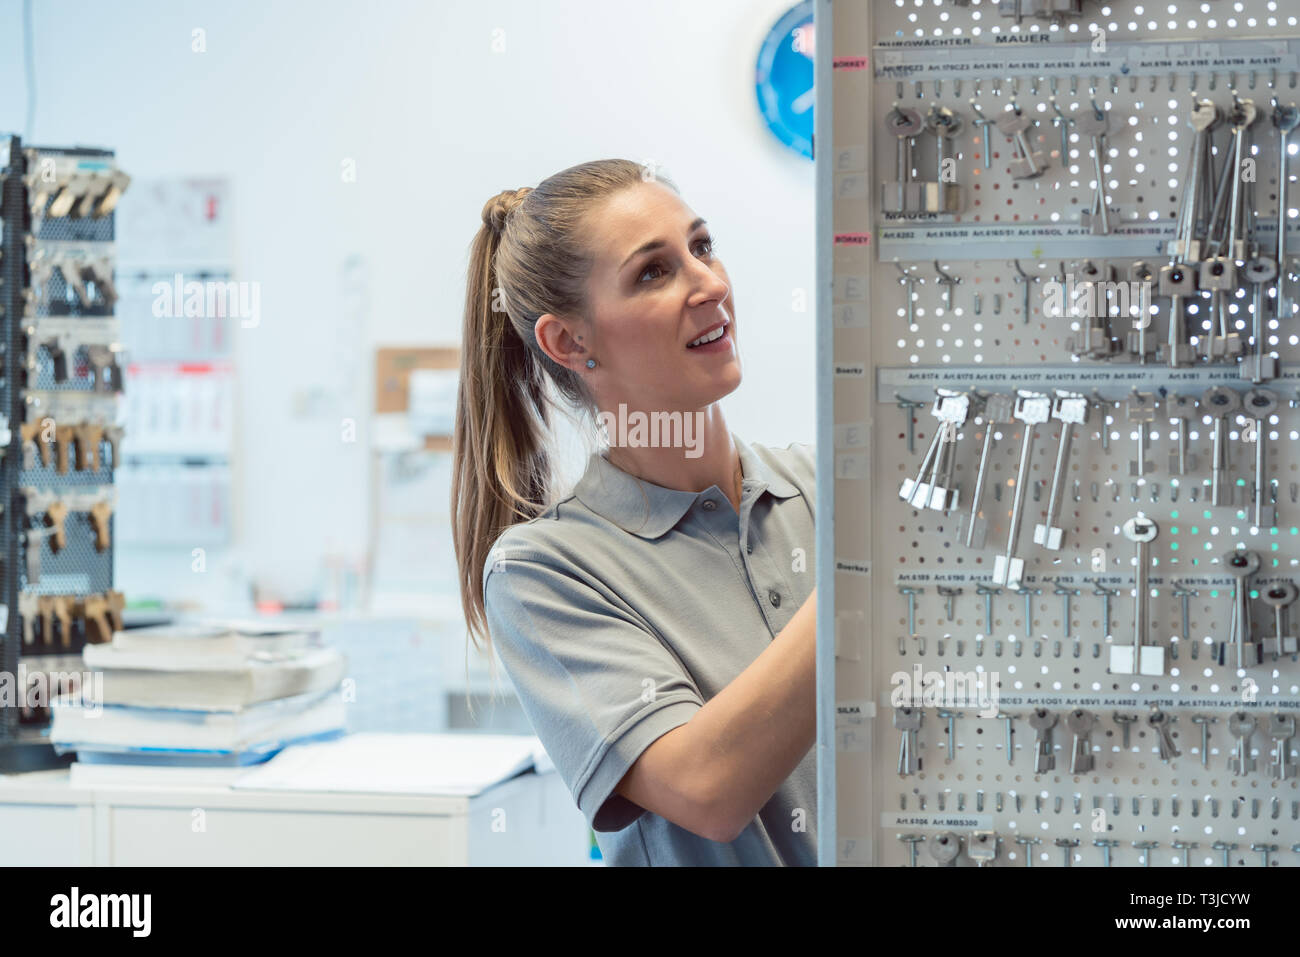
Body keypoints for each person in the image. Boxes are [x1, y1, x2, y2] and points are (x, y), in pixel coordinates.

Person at [451, 158, 817, 866]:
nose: (709, 284)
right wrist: (871, 564)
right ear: (569, 341)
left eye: (702, 247)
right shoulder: (544, 571)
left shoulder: (825, 489)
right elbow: (706, 789)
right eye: (654, 272)